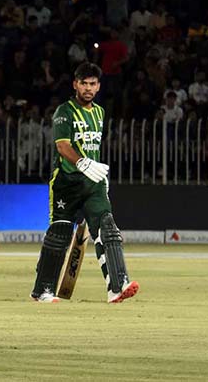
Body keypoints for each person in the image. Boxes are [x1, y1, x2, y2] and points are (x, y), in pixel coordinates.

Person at [30, 62, 139, 303]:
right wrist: (82, 163)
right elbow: (62, 145)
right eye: (84, 83)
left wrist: (100, 176)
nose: (88, 88)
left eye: (92, 84)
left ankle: (117, 285)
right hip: (66, 183)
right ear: (75, 84)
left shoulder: (99, 112)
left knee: (107, 227)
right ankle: (43, 290)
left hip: (93, 183)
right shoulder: (64, 112)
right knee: (59, 235)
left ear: (98, 86)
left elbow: (94, 148)